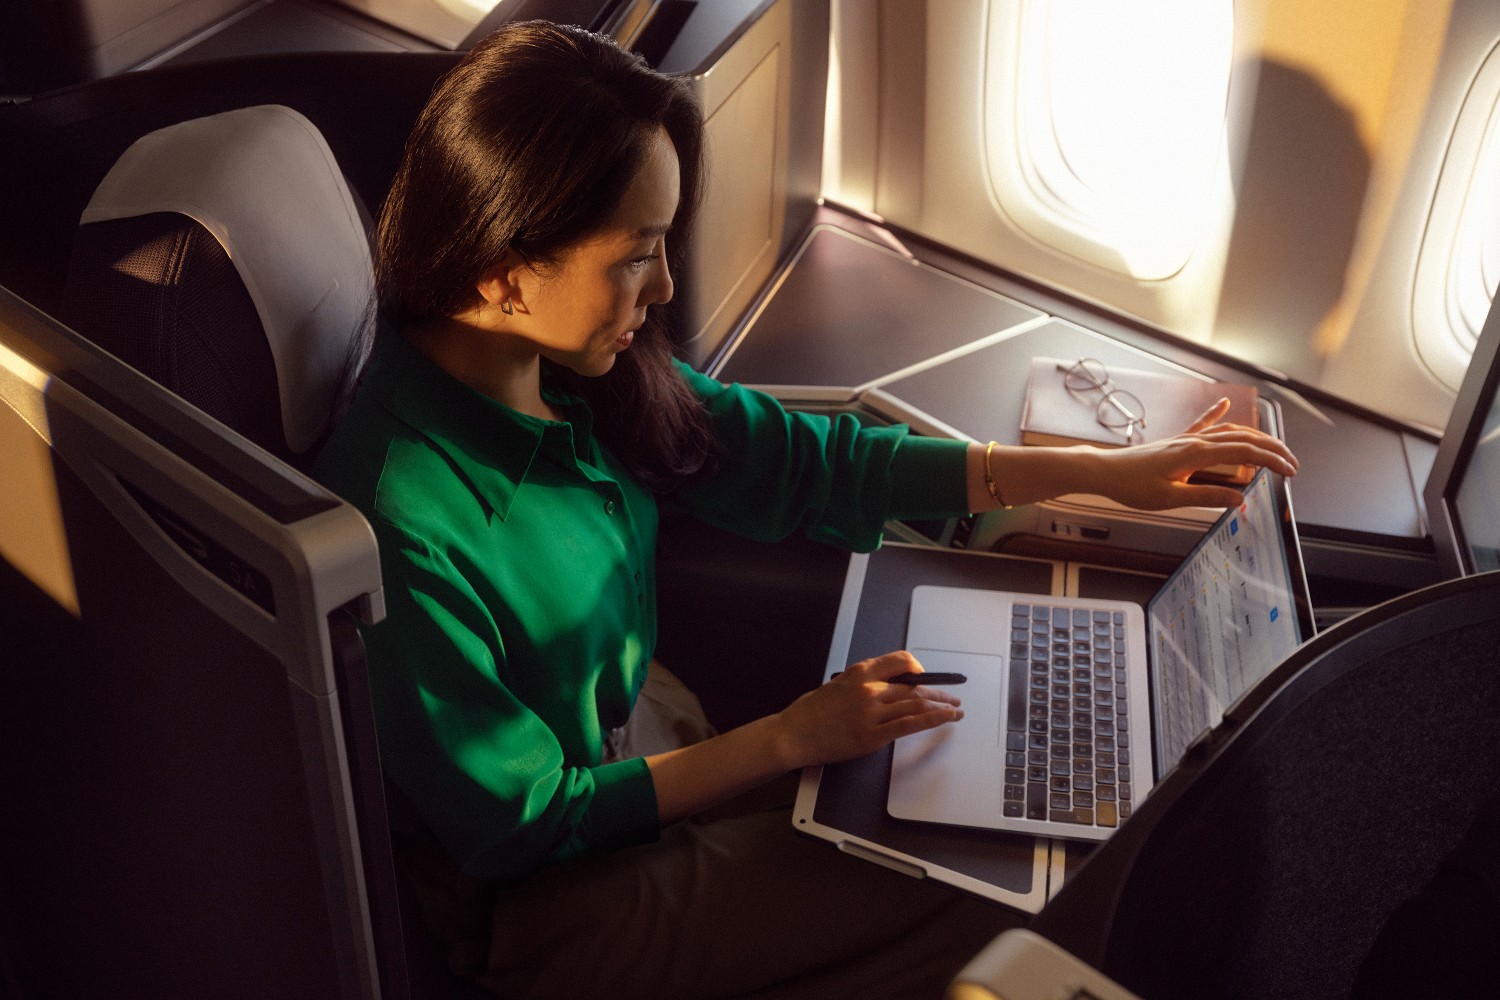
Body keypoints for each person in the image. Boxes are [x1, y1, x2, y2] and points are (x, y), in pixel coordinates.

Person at [314, 20, 1300, 1000]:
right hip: (550, 897)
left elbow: (813, 463)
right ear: (504, 271)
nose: (661, 289)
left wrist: (1096, 473)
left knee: (995, 811)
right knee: (995, 896)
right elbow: (520, 821)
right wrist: (793, 736)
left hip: (650, 739)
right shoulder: (404, 525)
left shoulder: (560, 369)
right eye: (637, 256)